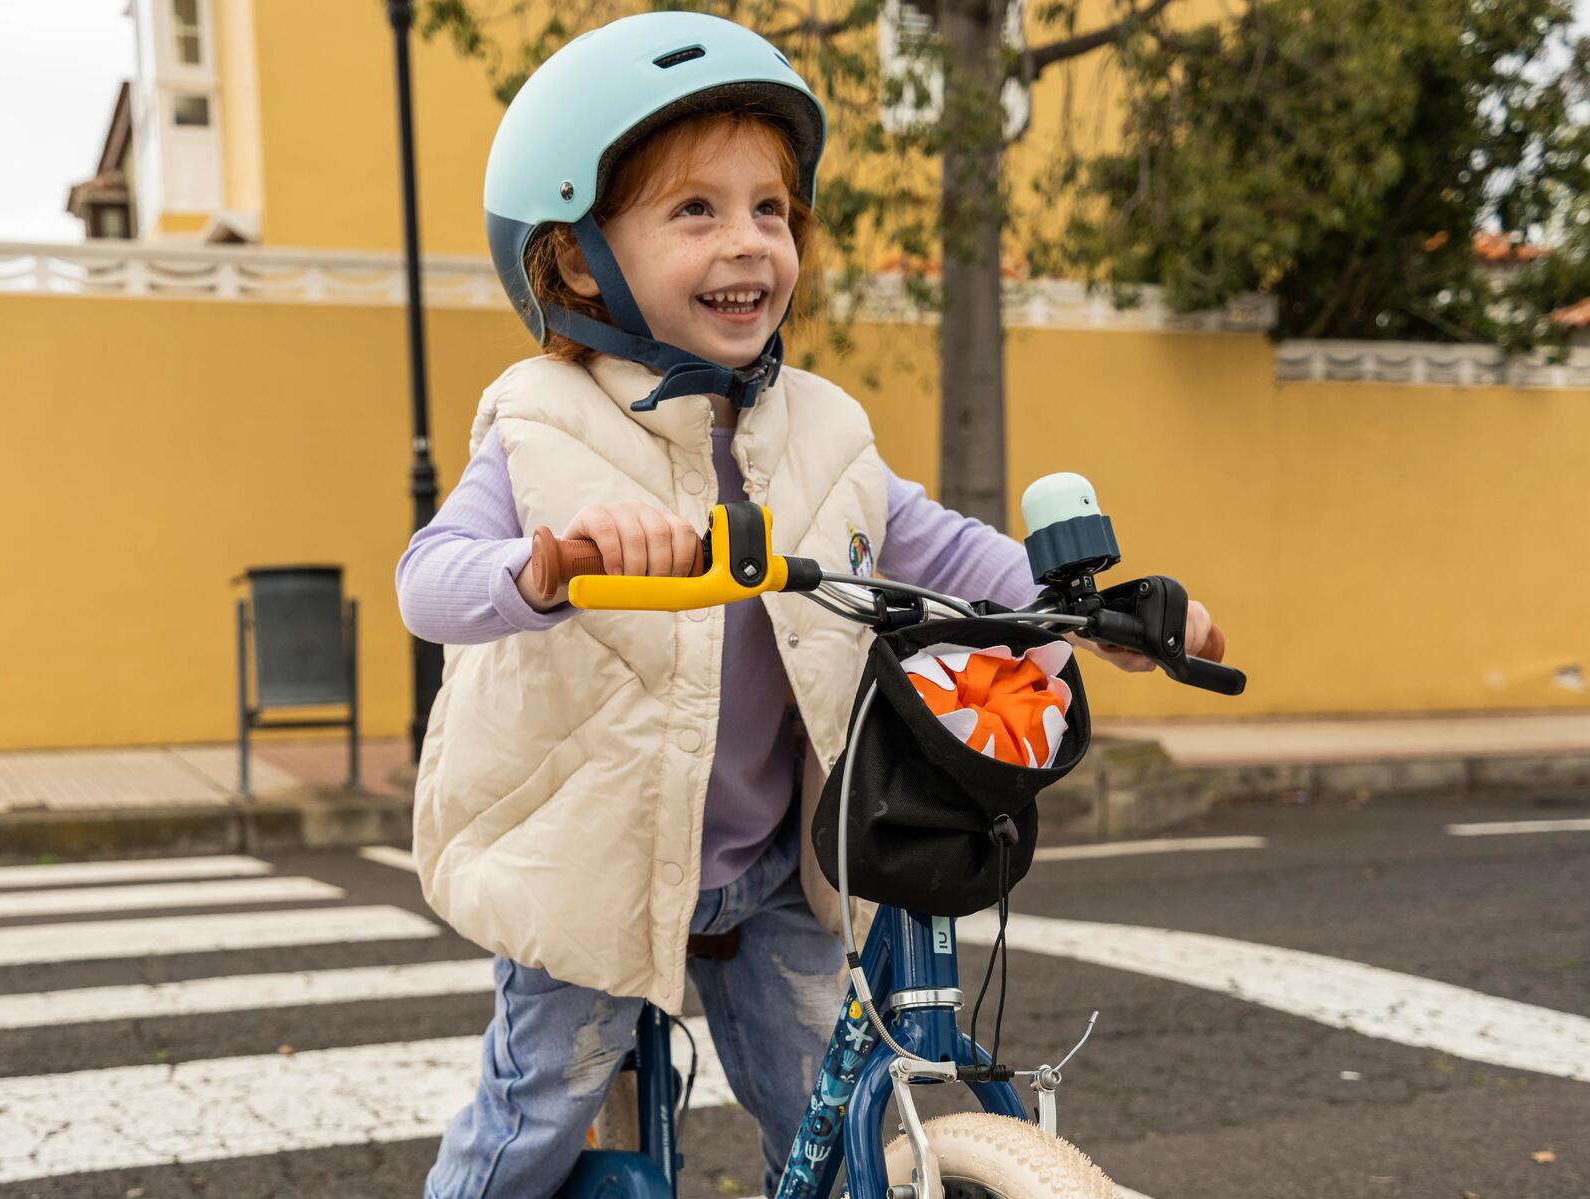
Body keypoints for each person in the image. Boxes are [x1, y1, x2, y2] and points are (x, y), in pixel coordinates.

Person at [396, 11, 1217, 1197]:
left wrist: (1097, 612)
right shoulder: (540, 418)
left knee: (825, 1115)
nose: (751, 242)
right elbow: (429, 580)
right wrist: (543, 564)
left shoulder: (824, 424)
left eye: (770, 208)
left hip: (780, 865)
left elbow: (933, 543)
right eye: (697, 210)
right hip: (590, 857)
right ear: (577, 258)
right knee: (533, 1113)